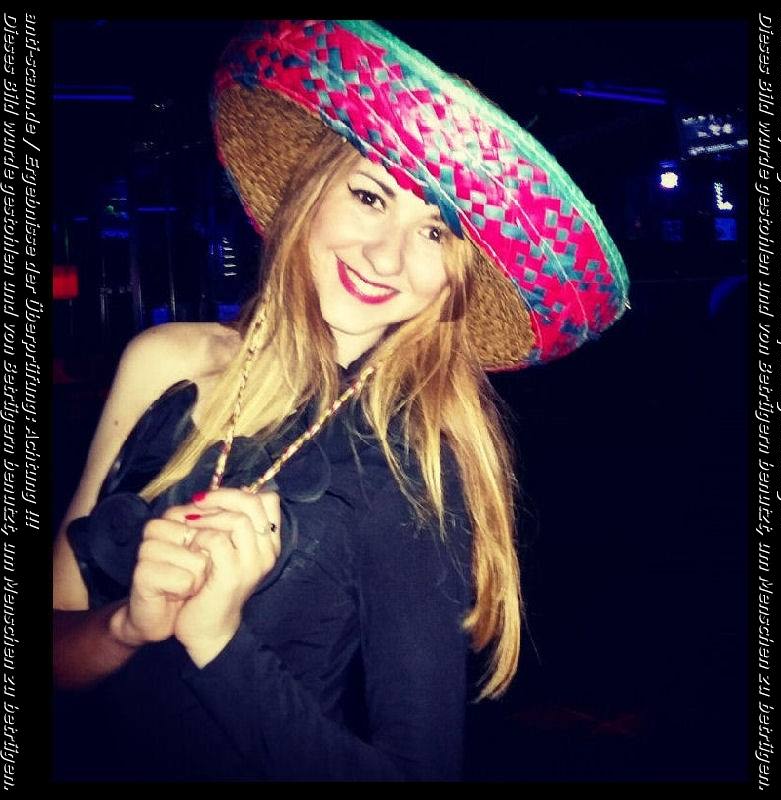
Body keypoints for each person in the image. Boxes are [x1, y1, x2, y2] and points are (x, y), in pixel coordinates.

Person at [52, 20, 630, 781]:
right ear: (311, 188)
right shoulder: (162, 361)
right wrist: (125, 626)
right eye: (369, 196)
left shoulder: (419, 465)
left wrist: (218, 641)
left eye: (436, 234)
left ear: (458, 275)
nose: (386, 257)